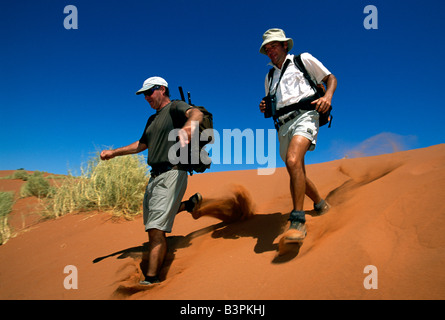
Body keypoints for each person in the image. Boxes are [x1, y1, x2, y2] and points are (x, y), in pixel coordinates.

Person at [100, 76, 203, 285]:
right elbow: (140, 144)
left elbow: (196, 113)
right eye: (144, 94)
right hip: (155, 176)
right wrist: (114, 152)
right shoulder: (152, 120)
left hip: (172, 172)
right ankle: (189, 205)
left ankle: (151, 279)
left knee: (155, 229)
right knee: (153, 220)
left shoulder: (175, 108)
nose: (146, 97)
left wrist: (188, 127)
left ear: (162, 90)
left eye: (149, 92)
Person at [258, 28, 337, 243]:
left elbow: (330, 78)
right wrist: (265, 106)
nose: (270, 50)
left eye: (274, 45)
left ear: (285, 45)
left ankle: (298, 221)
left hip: (306, 116)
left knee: (293, 161)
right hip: (282, 126)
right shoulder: (269, 76)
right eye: (267, 48)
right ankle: (321, 204)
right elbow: (272, 105)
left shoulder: (303, 60)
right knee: (296, 170)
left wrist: (327, 97)